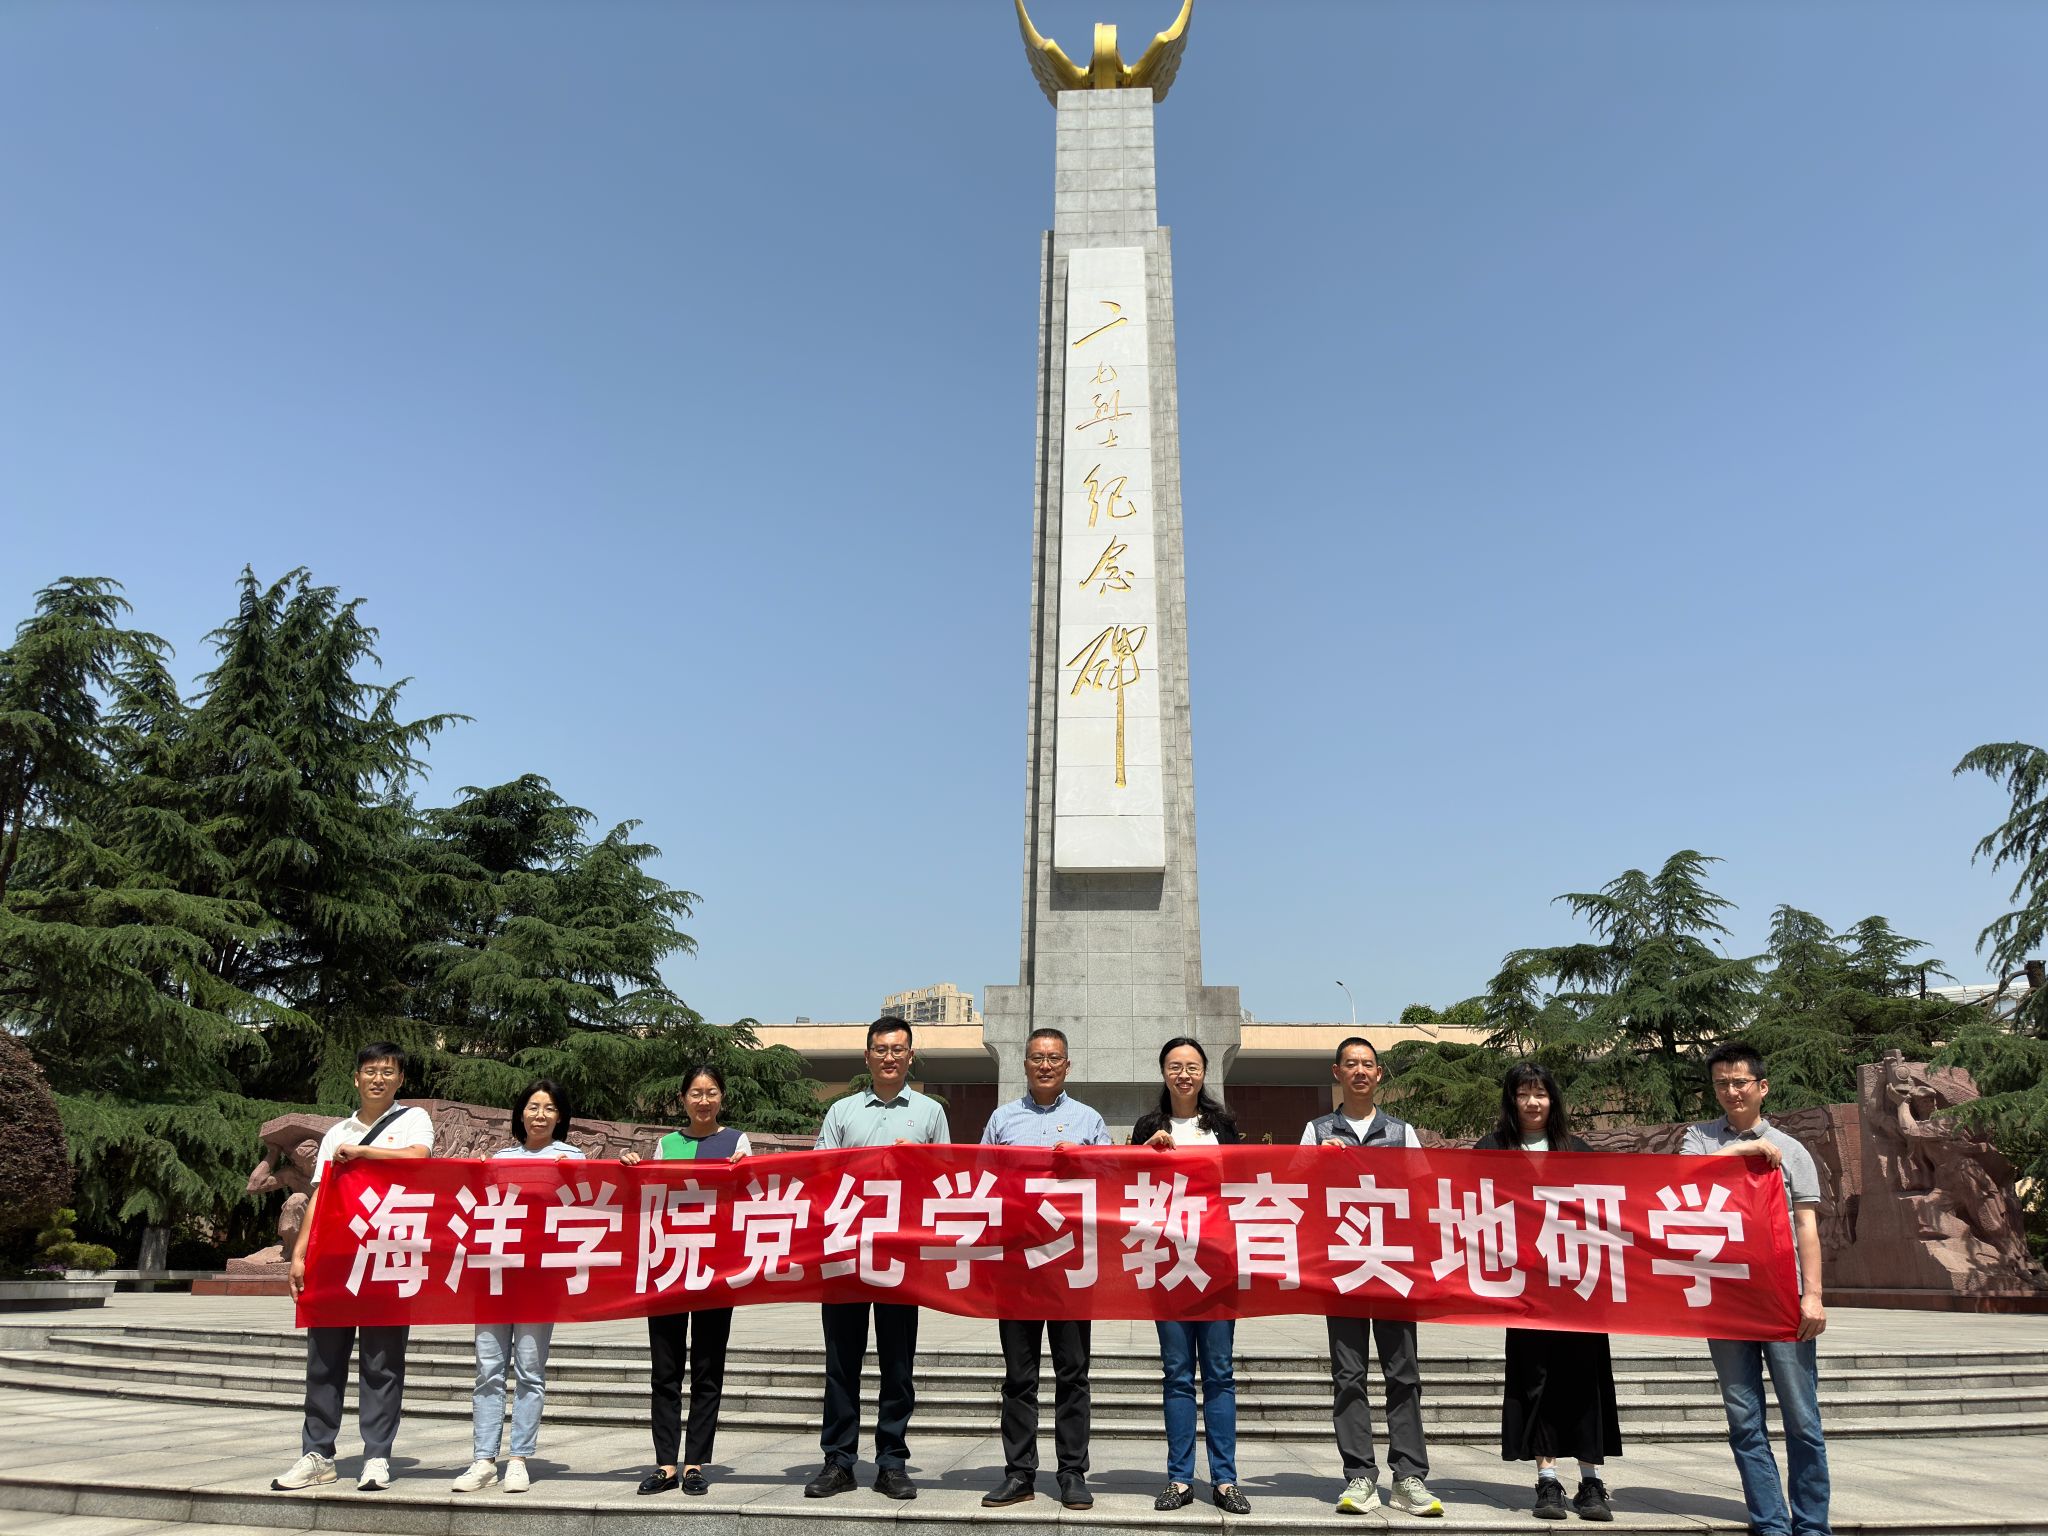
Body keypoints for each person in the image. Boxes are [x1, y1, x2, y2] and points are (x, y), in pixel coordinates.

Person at [1681, 1044, 1829, 1536]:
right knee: (1744, 1419)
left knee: (1802, 1419)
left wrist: (1813, 1295)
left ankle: (1812, 1525)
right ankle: (1770, 1524)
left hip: (1782, 1296)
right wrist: (1741, 1150)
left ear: (1762, 1087)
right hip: (1725, 1296)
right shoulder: (1699, 1139)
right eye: (1722, 1083)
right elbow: (1679, 1181)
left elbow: (1805, 1226)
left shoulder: (1793, 1150)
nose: (1731, 1091)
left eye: (1740, 1082)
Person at [273, 1042, 434, 1493]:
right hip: (336, 1257)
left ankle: (377, 1455)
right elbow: (321, 1197)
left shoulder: (413, 1120)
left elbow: (419, 1157)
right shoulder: (336, 1133)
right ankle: (317, 1454)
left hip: (390, 1256)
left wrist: (364, 1155)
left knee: (383, 1361)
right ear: (357, 1078)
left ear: (400, 1079)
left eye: (388, 1071)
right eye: (370, 1071)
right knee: (324, 1360)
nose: (378, 1079)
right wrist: (300, 1255)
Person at [803, 1017, 950, 1502]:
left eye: (898, 1049)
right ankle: (838, 1461)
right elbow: (819, 1175)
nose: (889, 1057)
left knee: (898, 1364)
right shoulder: (841, 1111)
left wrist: (920, 1162)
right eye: (881, 1049)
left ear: (911, 1057)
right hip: (845, 1253)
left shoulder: (930, 1113)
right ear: (866, 1056)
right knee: (841, 1362)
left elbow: (946, 1182)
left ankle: (891, 1462)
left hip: (900, 1256)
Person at [1300, 1036, 1443, 1519]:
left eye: (1368, 1064)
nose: (1360, 1071)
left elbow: (1423, 1193)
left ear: (1379, 1074)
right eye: (1351, 1064)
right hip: (1342, 1267)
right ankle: (1359, 1476)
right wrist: (1318, 1161)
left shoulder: (1401, 1132)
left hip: (1394, 1267)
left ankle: (1409, 1477)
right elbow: (1296, 1190)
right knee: (1349, 1375)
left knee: (1404, 1374)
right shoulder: (1318, 1130)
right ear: (1336, 1072)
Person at [1473, 1064, 1618, 1522]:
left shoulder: (1577, 1150)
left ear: (1553, 1100)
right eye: (1523, 1093)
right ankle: (1548, 1480)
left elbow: (1608, 1212)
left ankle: (1591, 1481)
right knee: (1535, 1381)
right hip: (1525, 1291)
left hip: (1578, 1288)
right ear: (1511, 1099)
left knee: (1585, 1381)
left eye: (1541, 1093)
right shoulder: (1491, 1150)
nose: (1532, 1102)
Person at [978, 1028, 1111, 1511]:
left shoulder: (1089, 1120)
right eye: (1037, 1058)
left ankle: (1072, 1472)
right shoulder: (1002, 1119)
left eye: (1054, 1058)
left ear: (1068, 1065)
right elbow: (982, 1182)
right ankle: (1019, 1473)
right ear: (1025, 1064)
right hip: (1016, 1266)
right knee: (1019, 1376)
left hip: (1070, 1265)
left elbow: (1111, 1182)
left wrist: (1083, 1162)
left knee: (1073, 1374)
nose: (1046, 1065)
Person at [1131, 1036, 1250, 1516]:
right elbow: (1126, 1187)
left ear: (1204, 1073)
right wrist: (1144, 1151)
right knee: (1177, 1375)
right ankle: (1180, 1479)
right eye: (1175, 1066)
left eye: (1193, 1066)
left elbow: (1244, 1184)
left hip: (1217, 1264)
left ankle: (1225, 1480)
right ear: (1163, 1072)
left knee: (1219, 1374)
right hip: (1168, 1265)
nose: (1184, 1074)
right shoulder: (1149, 1126)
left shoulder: (1223, 1126)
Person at [453, 1080, 586, 1495]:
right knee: (488, 1370)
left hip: (540, 1281)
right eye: (532, 1106)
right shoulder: (500, 1159)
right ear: (521, 1113)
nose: (540, 1115)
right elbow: (480, 1210)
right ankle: (482, 1459)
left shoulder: (572, 1158)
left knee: (530, 1371)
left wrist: (577, 1177)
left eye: (549, 1108)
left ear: (560, 1116)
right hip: (494, 1278)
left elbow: (590, 1206)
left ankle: (518, 1459)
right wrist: (476, 1173)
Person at [637, 1063, 752, 1497]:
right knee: (665, 1371)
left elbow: (749, 1198)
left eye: (712, 1092)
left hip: (715, 1268)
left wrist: (746, 1169)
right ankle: (666, 1463)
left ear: (722, 1097)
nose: (704, 1100)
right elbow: (649, 1195)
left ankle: (695, 1464)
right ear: (683, 1098)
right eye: (696, 1093)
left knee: (707, 1369)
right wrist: (632, 1167)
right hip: (668, 1266)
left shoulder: (736, 1142)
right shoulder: (667, 1144)